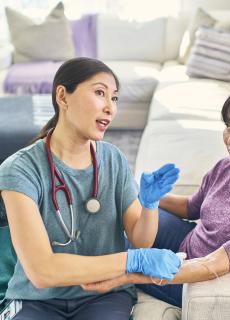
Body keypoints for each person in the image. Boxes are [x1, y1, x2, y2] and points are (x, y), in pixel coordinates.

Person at [81, 80, 230, 308]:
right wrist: (147, 197)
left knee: (104, 251)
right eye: (229, 126)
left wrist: (129, 274)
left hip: (196, 279)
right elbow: (192, 206)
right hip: (187, 242)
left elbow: (211, 265)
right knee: (123, 212)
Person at [0, 57, 181, 319]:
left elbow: (141, 239)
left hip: (105, 295)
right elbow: (42, 271)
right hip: (35, 299)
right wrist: (132, 260)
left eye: (115, 98)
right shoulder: (20, 169)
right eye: (100, 93)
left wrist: (149, 206)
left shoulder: (114, 159)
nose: (110, 108)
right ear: (63, 96)